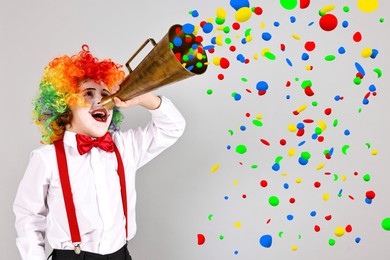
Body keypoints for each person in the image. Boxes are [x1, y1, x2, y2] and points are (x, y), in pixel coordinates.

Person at [13, 45, 186, 260]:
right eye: (88, 93)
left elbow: (173, 127)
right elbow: (29, 217)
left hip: (120, 255)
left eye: (106, 94)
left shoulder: (125, 147)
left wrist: (143, 97)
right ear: (64, 105)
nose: (101, 101)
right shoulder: (46, 158)